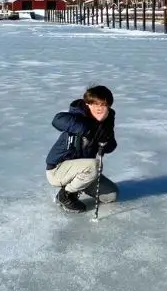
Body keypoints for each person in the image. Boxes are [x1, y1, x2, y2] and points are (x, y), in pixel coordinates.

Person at [46, 85, 119, 213]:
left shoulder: (106, 123)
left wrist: (106, 141)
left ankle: (77, 185)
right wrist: (88, 129)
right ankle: (66, 195)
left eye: (103, 105)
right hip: (57, 170)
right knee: (94, 165)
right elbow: (57, 120)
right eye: (95, 104)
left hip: (81, 170)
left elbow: (109, 147)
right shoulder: (78, 115)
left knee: (111, 195)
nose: (99, 108)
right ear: (87, 104)